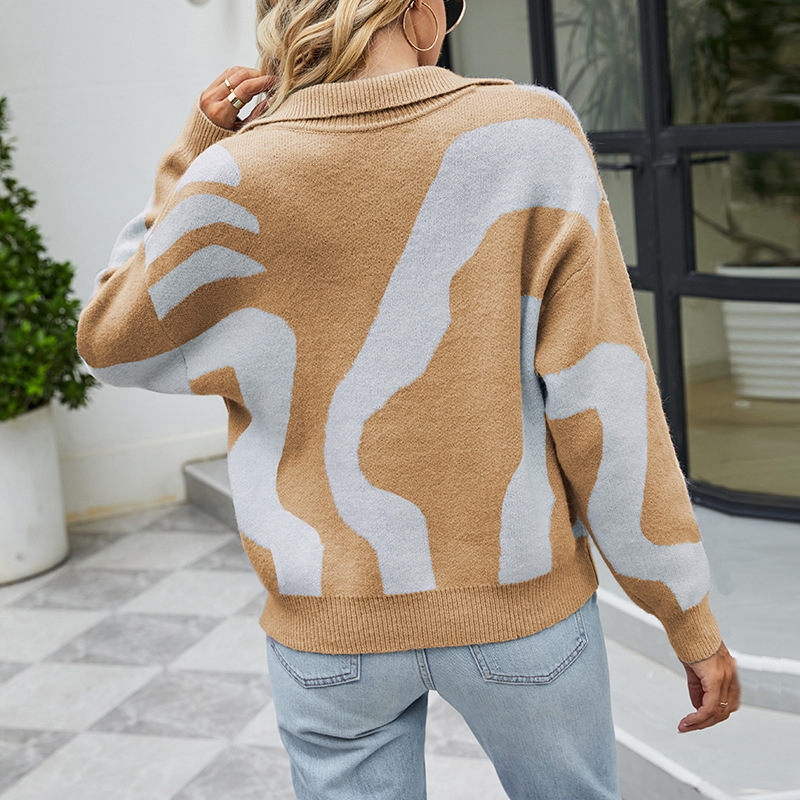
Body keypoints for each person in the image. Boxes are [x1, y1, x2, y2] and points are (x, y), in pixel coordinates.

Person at [77, 1, 740, 797]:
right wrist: (686, 617)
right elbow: (607, 403)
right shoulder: (530, 135)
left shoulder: (237, 169)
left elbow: (111, 340)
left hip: (330, 633)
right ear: (420, 11)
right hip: (522, 615)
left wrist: (194, 157)